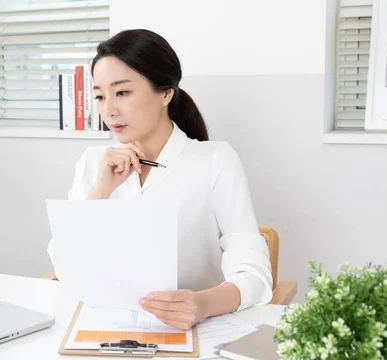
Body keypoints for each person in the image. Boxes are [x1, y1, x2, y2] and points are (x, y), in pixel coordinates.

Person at [47, 29, 272, 330]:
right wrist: (100, 191)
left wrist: (201, 304)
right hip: (106, 331)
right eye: (100, 96)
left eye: (122, 92)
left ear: (165, 92)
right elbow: (66, 268)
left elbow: (254, 274)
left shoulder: (215, 160)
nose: (109, 110)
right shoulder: (92, 163)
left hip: (195, 333)